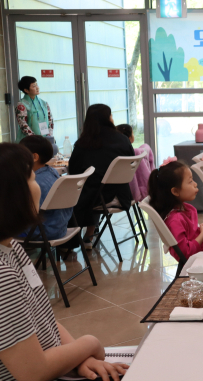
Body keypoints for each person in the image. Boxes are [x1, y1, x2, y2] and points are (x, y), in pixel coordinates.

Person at [0, 143, 128, 381]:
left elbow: (43, 318)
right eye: (32, 177)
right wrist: (89, 344)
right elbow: (32, 372)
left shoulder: (12, 247)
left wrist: (81, 359)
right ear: (13, 195)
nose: (39, 185)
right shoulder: (3, 276)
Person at [68, 104, 134, 248]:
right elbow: (131, 160)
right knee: (96, 185)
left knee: (80, 190)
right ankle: (89, 235)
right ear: (108, 118)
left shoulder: (83, 143)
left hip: (96, 198)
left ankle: (69, 239)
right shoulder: (122, 139)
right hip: (121, 195)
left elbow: (72, 171)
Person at [148, 159, 203, 261]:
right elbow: (185, 253)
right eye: (190, 181)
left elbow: (190, 235)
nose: (195, 184)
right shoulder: (175, 220)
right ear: (175, 191)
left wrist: (199, 229)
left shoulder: (184, 209)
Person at [18, 135, 73, 241]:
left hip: (41, 231)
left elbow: (24, 214)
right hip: (60, 228)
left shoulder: (36, 182)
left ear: (34, 157)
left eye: (20, 154)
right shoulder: (52, 172)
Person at [116, 124, 155, 202]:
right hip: (132, 194)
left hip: (119, 193)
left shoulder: (115, 155)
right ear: (130, 138)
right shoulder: (137, 153)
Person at [15, 76, 54, 141]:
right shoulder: (21, 105)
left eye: (37, 85)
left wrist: (49, 135)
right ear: (26, 90)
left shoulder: (44, 103)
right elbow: (23, 125)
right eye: (34, 86)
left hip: (45, 139)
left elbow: (50, 120)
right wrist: (36, 139)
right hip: (29, 141)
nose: (37, 87)